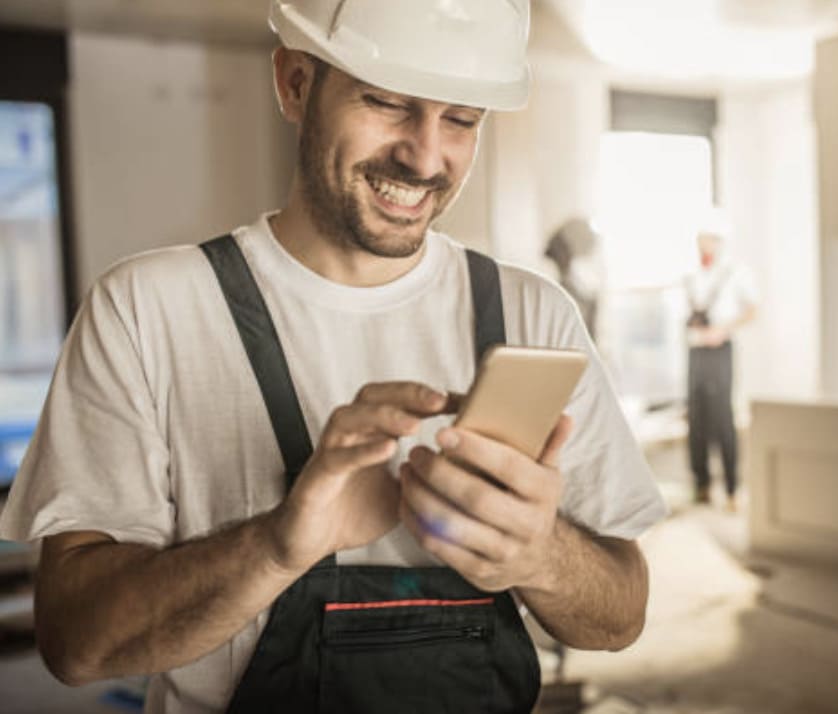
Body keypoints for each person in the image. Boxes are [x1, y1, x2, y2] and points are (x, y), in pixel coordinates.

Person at [0, 2, 667, 712]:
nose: (424, 155)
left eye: (462, 120)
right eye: (385, 103)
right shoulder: (147, 309)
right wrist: (279, 544)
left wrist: (540, 554)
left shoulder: (533, 315)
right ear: (293, 82)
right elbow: (74, 643)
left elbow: (621, 616)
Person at [684, 229, 757, 510]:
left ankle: (732, 488)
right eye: (700, 237)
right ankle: (701, 485)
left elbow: (752, 310)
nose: (704, 243)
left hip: (720, 349)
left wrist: (722, 330)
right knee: (697, 418)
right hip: (695, 349)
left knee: (722, 418)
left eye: (709, 238)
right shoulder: (690, 273)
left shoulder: (734, 272)